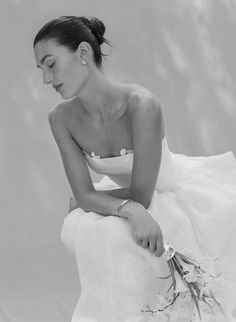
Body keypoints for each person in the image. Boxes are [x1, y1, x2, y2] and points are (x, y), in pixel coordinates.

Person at [33, 16, 236, 322]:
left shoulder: (142, 105)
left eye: (51, 64)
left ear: (84, 53)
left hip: (172, 194)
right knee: (105, 234)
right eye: (41, 70)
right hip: (129, 199)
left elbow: (140, 193)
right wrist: (124, 208)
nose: (46, 79)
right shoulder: (60, 118)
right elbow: (86, 196)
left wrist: (103, 201)